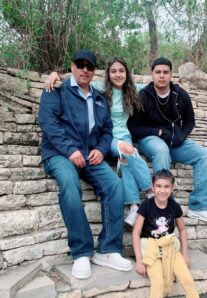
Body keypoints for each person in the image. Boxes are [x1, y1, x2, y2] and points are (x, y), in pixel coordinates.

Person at [39, 49, 132, 280]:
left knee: (114, 185)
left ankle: (108, 249)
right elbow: (48, 123)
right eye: (80, 65)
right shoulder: (57, 90)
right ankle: (81, 252)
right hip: (60, 154)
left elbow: (107, 130)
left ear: (94, 71)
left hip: (89, 156)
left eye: (89, 66)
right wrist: (70, 151)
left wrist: (101, 149)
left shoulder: (99, 98)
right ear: (72, 67)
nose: (84, 70)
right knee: (70, 184)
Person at [45, 57, 153, 228]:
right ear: (108, 74)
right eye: (113, 71)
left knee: (125, 159)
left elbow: (155, 85)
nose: (118, 75)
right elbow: (77, 79)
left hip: (124, 135)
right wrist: (54, 74)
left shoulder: (134, 89)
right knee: (127, 151)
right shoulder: (99, 87)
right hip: (108, 137)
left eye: (121, 71)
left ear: (127, 73)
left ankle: (134, 206)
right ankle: (150, 192)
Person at [127, 57, 207, 225]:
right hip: (150, 140)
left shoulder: (180, 94)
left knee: (204, 155)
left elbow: (190, 121)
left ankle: (199, 206)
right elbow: (133, 127)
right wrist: (157, 131)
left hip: (174, 141)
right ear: (152, 74)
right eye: (158, 72)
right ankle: (162, 207)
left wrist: (181, 136)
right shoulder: (143, 96)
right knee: (161, 149)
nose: (161, 76)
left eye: (165, 72)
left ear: (171, 74)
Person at [132, 169, 199, 298]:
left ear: (172, 188)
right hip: (152, 249)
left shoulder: (174, 206)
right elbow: (136, 231)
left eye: (166, 186)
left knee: (187, 279)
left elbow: (182, 229)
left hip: (170, 248)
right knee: (158, 283)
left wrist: (184, 254)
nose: (162, 190)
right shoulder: (146, 205)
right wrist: (139, 261)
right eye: (158, 186)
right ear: (152, 187)